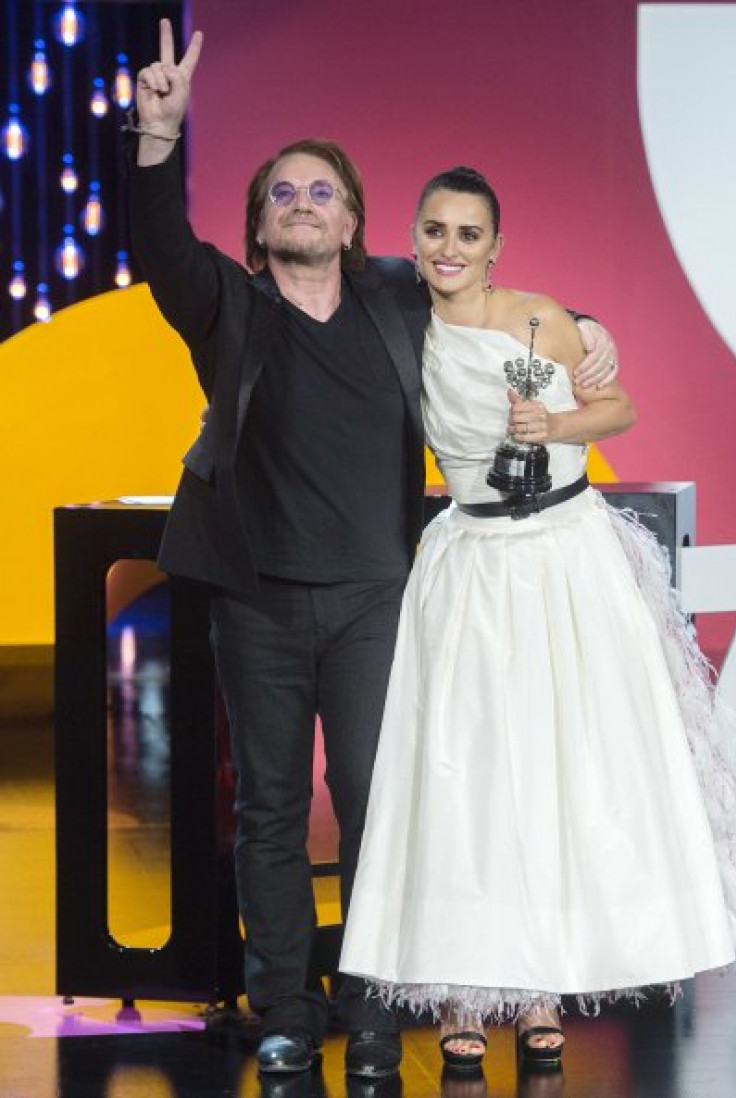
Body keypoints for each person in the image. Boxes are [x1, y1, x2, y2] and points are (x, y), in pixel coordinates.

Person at [128, 21, 619, 1079]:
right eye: (281, 195)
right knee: (267, 810)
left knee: (376, 808)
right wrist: (158, 139)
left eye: (321, 192)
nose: (301, 205)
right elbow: (161, 249)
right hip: (255, 598)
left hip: (376, 599)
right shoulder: (228, 308)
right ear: (256, 228)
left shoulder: (400, 297)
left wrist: (584, 325)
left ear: (352, 221)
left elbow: (494, 303)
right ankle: (285, 1015)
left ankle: (367, 1012)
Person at [339, 166, 736, 1073]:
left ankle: (540, 989)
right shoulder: (399, 317)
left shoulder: (540, 320)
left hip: (566, 562)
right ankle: (465, 987)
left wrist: (559, 427)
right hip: (468, 566)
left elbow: (618, 405)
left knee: (558, 766)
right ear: (412, 240)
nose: (449, 248)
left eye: (468, 234)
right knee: (469, 771)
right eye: (434, 231)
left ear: (497, 245)